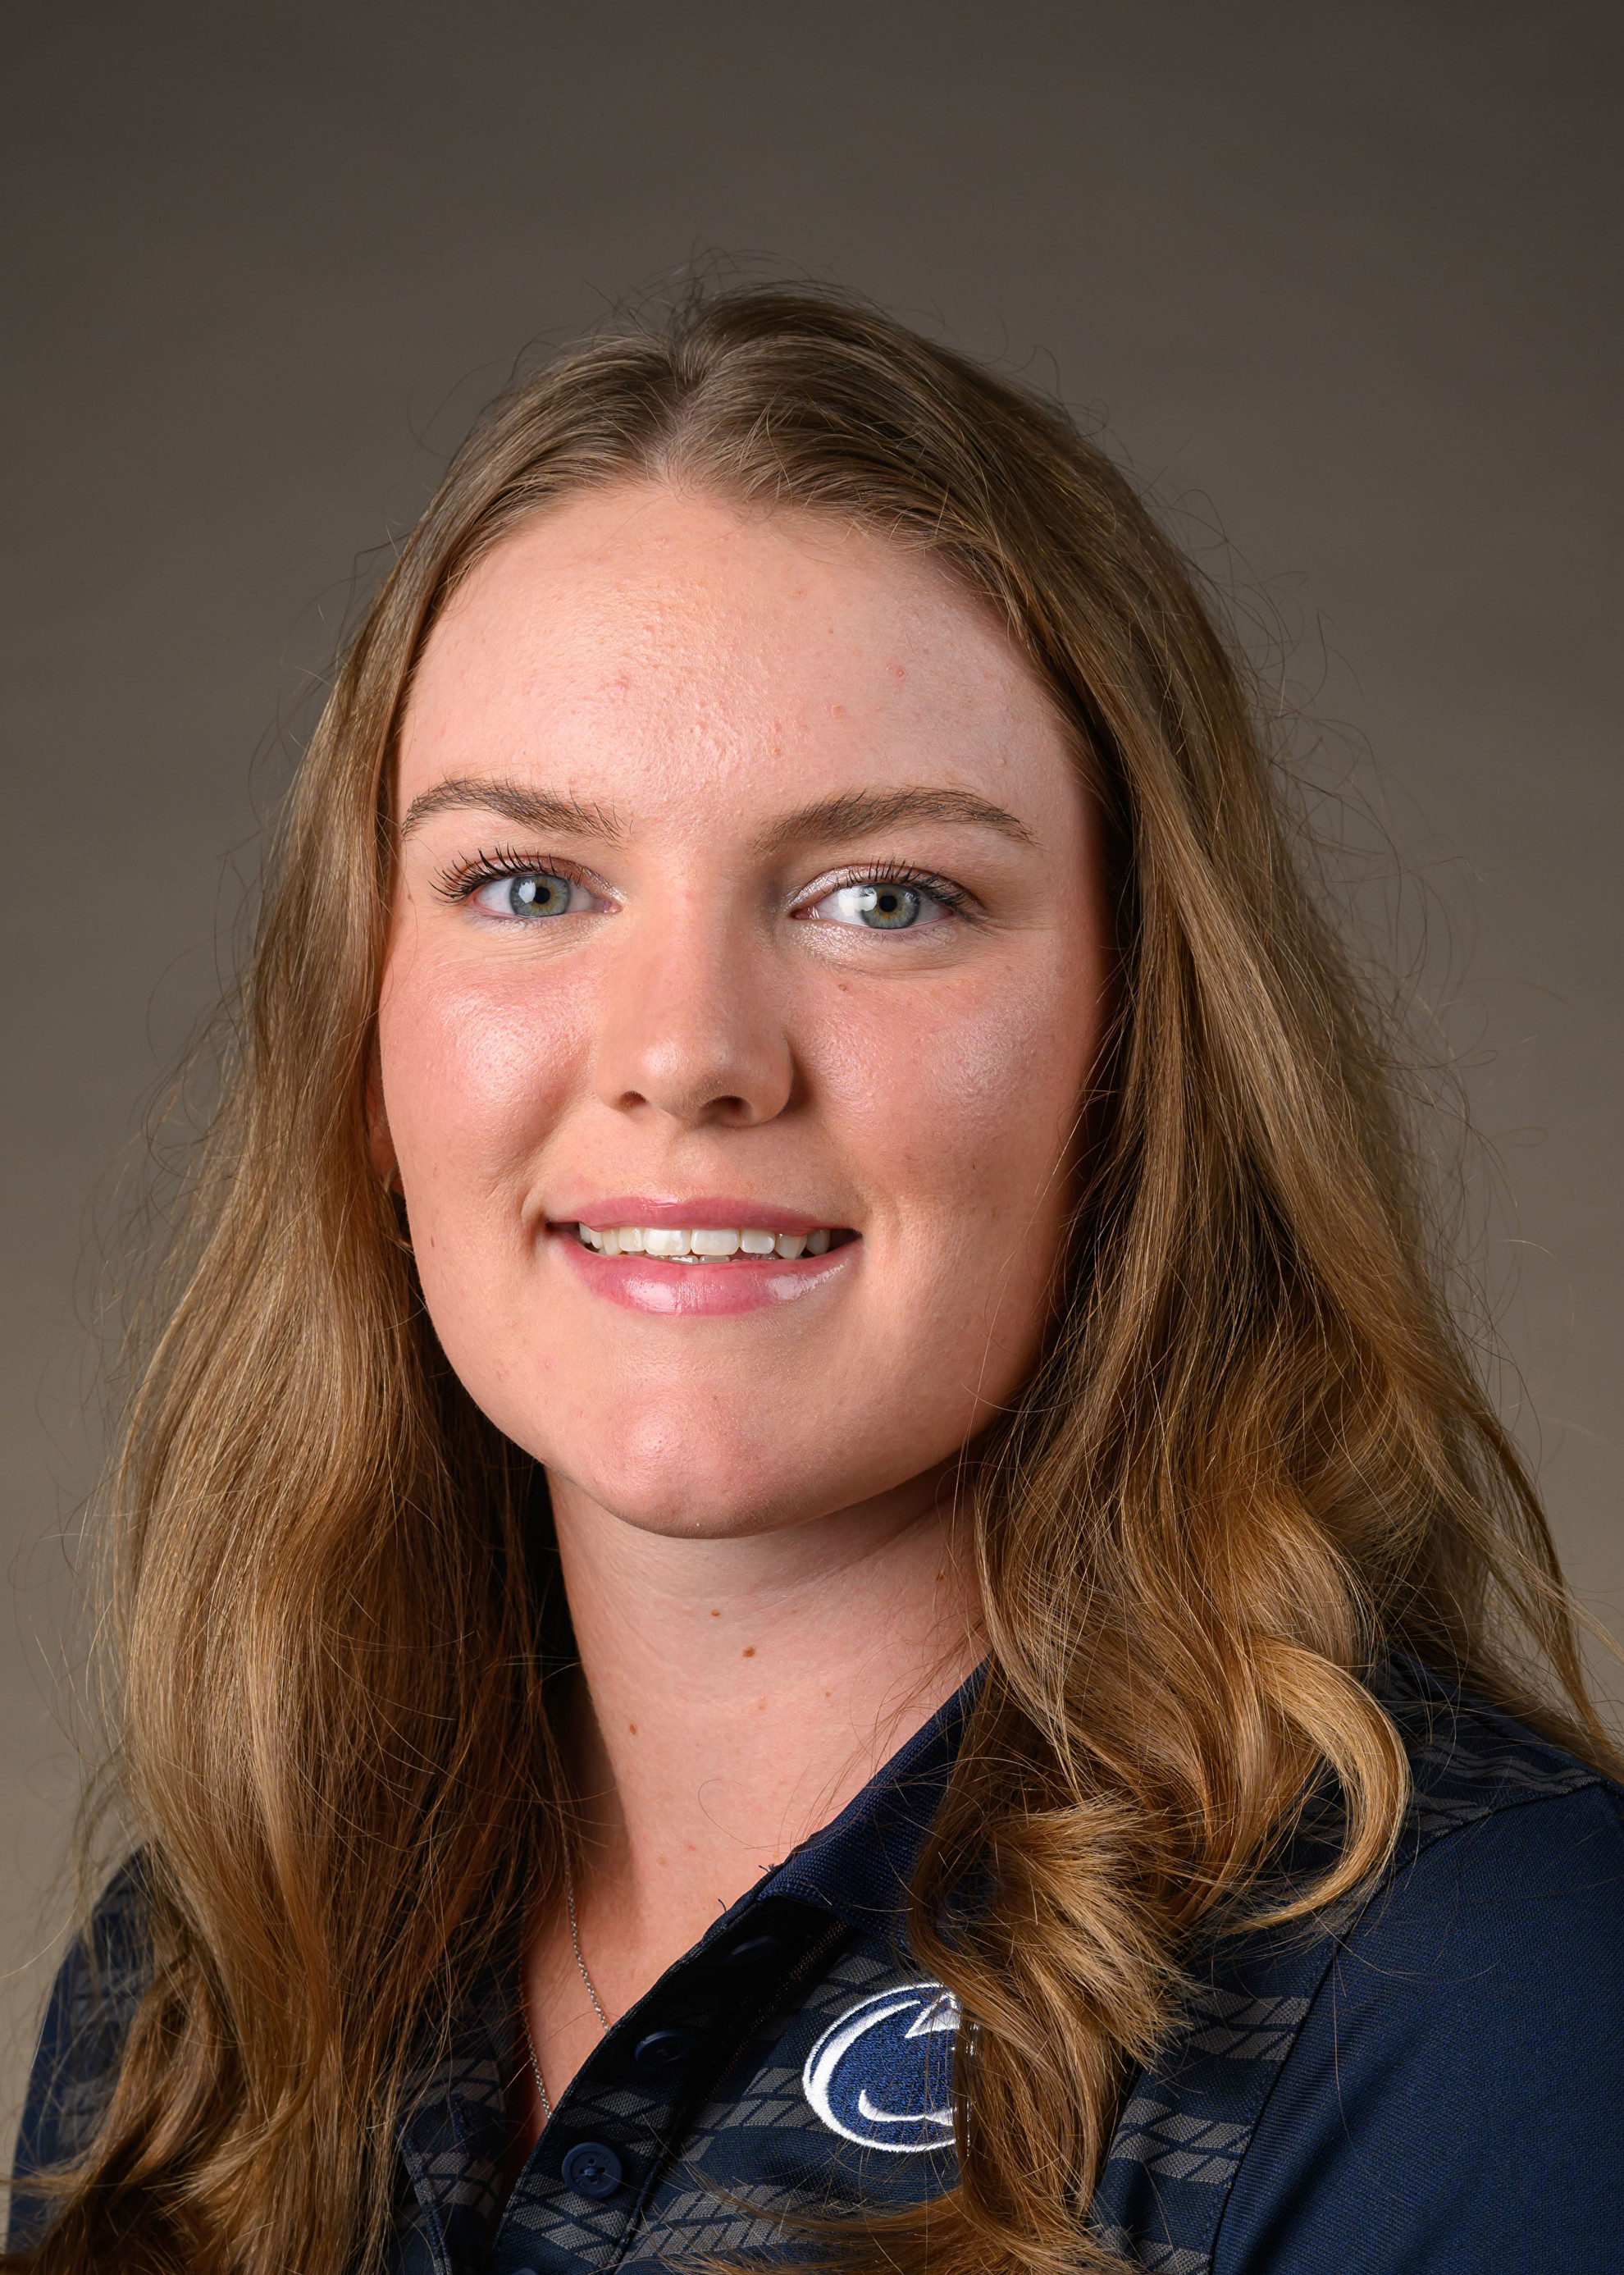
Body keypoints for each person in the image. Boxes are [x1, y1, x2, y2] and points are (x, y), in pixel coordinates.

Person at [7, 287, 1622, 2275]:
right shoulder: (201, 1997)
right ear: (368, 1045)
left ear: (1140, 1051)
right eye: (529, 883)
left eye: (884, 896)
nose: (687, 1051)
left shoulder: (1486, 2015)